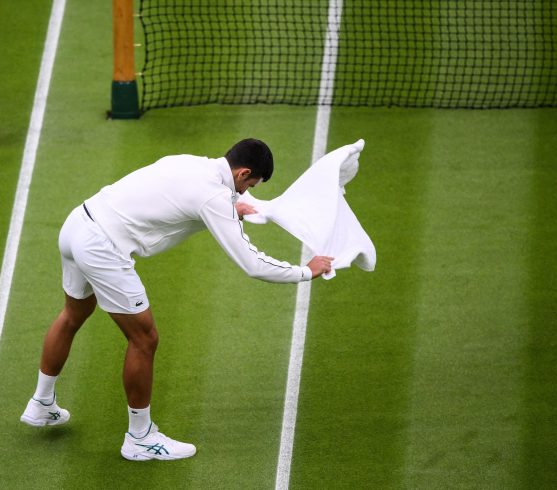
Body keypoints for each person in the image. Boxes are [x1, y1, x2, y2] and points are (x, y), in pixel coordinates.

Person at [19, 139, 333, 461]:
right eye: (248, 186)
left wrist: (228, 208)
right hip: (102, 247)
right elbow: (252, 264)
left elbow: (176, 199)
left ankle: (41, 403)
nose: (243, 193)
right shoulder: (214, 196)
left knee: (74, 313)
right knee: (144, 338)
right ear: (243, 173)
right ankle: (140, 438)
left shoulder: (190, 163)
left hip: (77, 225)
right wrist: (305, 271)